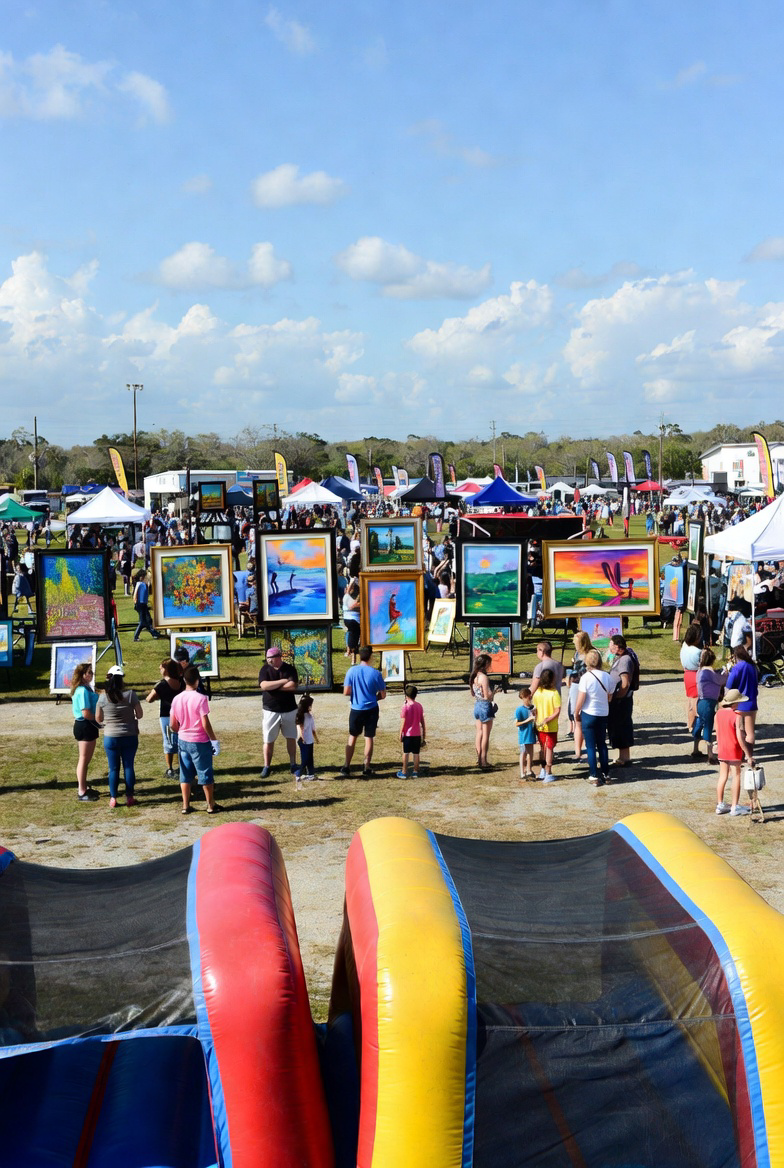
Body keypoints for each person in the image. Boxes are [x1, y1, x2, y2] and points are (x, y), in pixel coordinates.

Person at [169, 665, 221, 813]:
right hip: (199, 741)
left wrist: (182, 731)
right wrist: (214, 740)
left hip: (183, 740)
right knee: (205, 772)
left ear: (184, 680)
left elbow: (173, 724)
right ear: (197, 680)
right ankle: (210, 804)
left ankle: (185, 805)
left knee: (185, 774)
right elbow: (205, 722)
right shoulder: (201, 698)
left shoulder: (176, 699)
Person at [95, 665, 143, 808]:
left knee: (113, 768)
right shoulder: (130, 695)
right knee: (128, 766)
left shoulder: (103, 697)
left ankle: (113, 797)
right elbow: (140, 714)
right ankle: (130, 796)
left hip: (111, 736)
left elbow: (98, 718)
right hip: (129, 735)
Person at [341, 646, 387, 777]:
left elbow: (346, 692)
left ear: (359, 656)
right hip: (371, 709)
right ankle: (366, 766)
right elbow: (383, 695)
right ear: (371, 656)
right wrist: (373, 697)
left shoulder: (351, 671)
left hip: (356, 709)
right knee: (369, 737)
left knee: (352, 737)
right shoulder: (375, 673)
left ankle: (346, 766)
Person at [258, 645, 299, 777]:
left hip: (289, 709)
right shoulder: (264, 669)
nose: (269, 660)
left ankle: (293, 764)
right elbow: (264, 685)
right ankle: (267, 766)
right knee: (268, 740)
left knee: (291, 737)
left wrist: (273, 687)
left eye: (271, 658)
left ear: (278, 657)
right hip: (271, 710)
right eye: (267, 658)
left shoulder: (289, 669)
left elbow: (292, 685)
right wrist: (282, 681)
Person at [574, 649, 613, 786]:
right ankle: (606, 773)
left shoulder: (586, 677)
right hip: (602, 713)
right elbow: (610, 696)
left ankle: (593, 774)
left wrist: (576, 712)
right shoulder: (607, 676)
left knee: (590, 746)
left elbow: (581, 698)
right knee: (602, 744)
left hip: (588, 713)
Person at [714, 688, 753, 816]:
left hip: (722, 748)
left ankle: (720, 804)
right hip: (733, 749)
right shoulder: (737, 716)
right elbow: (740, 738)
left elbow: (717, 732)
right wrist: (747, 755)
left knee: (723, 776)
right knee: (736, 775)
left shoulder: (718, 713)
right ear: (735, 703)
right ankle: (735, 806)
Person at [145, 658, 186, 777]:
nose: (159, 668)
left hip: (166, 716)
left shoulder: (162, 684)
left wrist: (158, 696)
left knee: (168, 742)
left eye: (161, 667)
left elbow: (149, 699)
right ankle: (181, 766)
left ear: (166, 670)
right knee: (180, 740)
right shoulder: (181, 682)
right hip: (180, 716)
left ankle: (170, 768)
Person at [70, 662, 100, 802]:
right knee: (83, 758)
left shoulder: (86, 688)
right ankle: (81, 791)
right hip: (85, 725)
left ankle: (84, 786)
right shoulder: (82, 691)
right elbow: (86, 712)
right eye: (89, 672)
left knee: (86, 759)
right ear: (82, 675)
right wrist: (99, 721)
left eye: (91, 672)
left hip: (89, 725)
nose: (91, 675)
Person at [607, 634, 636, 768]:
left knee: (622, 727)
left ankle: (625, 757)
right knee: (618, 727)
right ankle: (622, 756)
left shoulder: (625, 660)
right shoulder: (620, 658)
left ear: (618, 647)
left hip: (622, 702)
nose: (609, 647)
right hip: (619, 700)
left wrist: (617, 696)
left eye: (611, 645)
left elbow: (625, 683)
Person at [691, 648, 722, 763]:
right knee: (708, 726)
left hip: (701, 702)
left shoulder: (700, 671)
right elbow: (720, 680)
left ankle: (695, 749)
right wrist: (726, 673)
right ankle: (710, 755)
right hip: (709, 703)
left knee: (699, 724)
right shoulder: (708, 672)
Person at [725, 644, 759, 749]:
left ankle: (745, 755)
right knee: (750, 731)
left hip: (740, 703)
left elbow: (729, 685)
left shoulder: (737, 668)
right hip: (752, 702)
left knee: (740, 731)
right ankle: (749, 754)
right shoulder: (753, 666)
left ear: (736, 656)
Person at [567, 631, 592, 760]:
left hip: (585, 686)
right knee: (576, 719)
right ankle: (577, 751)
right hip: (576, 686)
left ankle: (589, 749)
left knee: (584, 718)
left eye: (575, 641)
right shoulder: (577, 653)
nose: (573, 643)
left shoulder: (590, 654)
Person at [532, 668, 561, 781]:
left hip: (539, 725)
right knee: (549, 748)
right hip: (551, 726)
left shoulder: (538, 692)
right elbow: (557, 710)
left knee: (542, 747)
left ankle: (543, 770)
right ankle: (548, 772)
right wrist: (549, 719)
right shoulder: (554, 693)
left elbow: (534, 709)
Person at [469, 653, 495, 770]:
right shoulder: (484, 678)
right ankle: (484, 760)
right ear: (485, 665)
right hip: (485, 706)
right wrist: (493, 693)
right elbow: (486, 696)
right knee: (486, 735)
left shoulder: (474, 677)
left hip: (477, 705)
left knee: (479, 733)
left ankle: (478, 758)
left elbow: (475, 694)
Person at [398, 684, 426, 778]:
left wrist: (400, 733)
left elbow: (403, 721)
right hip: (417, 733)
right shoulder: (419, 706)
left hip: (407, 734)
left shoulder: (405, 707)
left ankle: (404, 771)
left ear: (406, 695)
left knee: (406, 752)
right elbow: (422, 721)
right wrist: (424, 734)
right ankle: (416, 770)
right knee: (416, 753)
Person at [680, 624, 702, 733]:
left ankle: (690, 724)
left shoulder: (684, 645)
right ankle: (695, 725)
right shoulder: (697, 652)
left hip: (687, 674)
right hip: (695, 675)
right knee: (695, 702)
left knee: (689, 700)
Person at [294, 693, 319, 786]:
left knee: (309, 758)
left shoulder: (300, 715)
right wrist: (304, 738)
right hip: (305, 741)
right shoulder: (306, 716)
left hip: (307, 741)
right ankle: (298, 773)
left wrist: (315, 739)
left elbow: (311, 730)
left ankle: (311, 774)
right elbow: (302, 729)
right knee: (306, 758)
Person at [514, 686, 537, 779]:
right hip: (524, 734)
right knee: (523, 752)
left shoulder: (532, 708)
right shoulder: (519, 709)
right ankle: (522, 772)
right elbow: (517, 724)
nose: (527, 700)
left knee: (530, 753)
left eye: (528, 697)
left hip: (531, 734)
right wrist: (528, 720)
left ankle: (529, 770)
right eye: (525, 698)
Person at [132, 569, 160, 640]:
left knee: (148, 620)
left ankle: (154, 633)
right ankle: (136, 636)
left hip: (142, 604)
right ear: (142, 577)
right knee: (143, 622)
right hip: (141, 605)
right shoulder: (140, 584)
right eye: (145, 577)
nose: (146, 579)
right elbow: (135, 596)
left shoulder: (141, 584)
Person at [343, 579, 361, 662]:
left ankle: (352, 654)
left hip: (348, 621)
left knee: (351, 635)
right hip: (354, 621)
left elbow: (348, 590)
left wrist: (352, 581)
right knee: (354, 637)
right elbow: (354, 606)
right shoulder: (347, 598)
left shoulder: (346, 597)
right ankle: (353, 655)